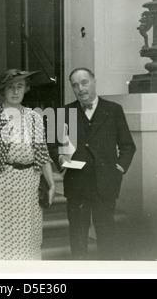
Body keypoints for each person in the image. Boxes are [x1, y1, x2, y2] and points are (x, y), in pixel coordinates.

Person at [48, 68, 136, 260]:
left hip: (105, 184)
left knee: (106, 235)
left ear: (94, 82)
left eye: (84, 82)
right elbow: (53, 146)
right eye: (75, 85)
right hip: (77, 184)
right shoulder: (63, 112)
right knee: (78, 237)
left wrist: (117, 170)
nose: (80, 88)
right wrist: (61, 160)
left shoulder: (113, 110)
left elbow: (128, 146)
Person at [0, 69, 56, 260]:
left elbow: (42, 153)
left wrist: (52, 183)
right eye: (10, 87)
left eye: (19, 87)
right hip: (1, 185)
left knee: (28, 239)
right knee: (1, 239)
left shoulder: (34, 117)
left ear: (26, 89)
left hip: (29, 185)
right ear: (3, 91)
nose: (15, 91)